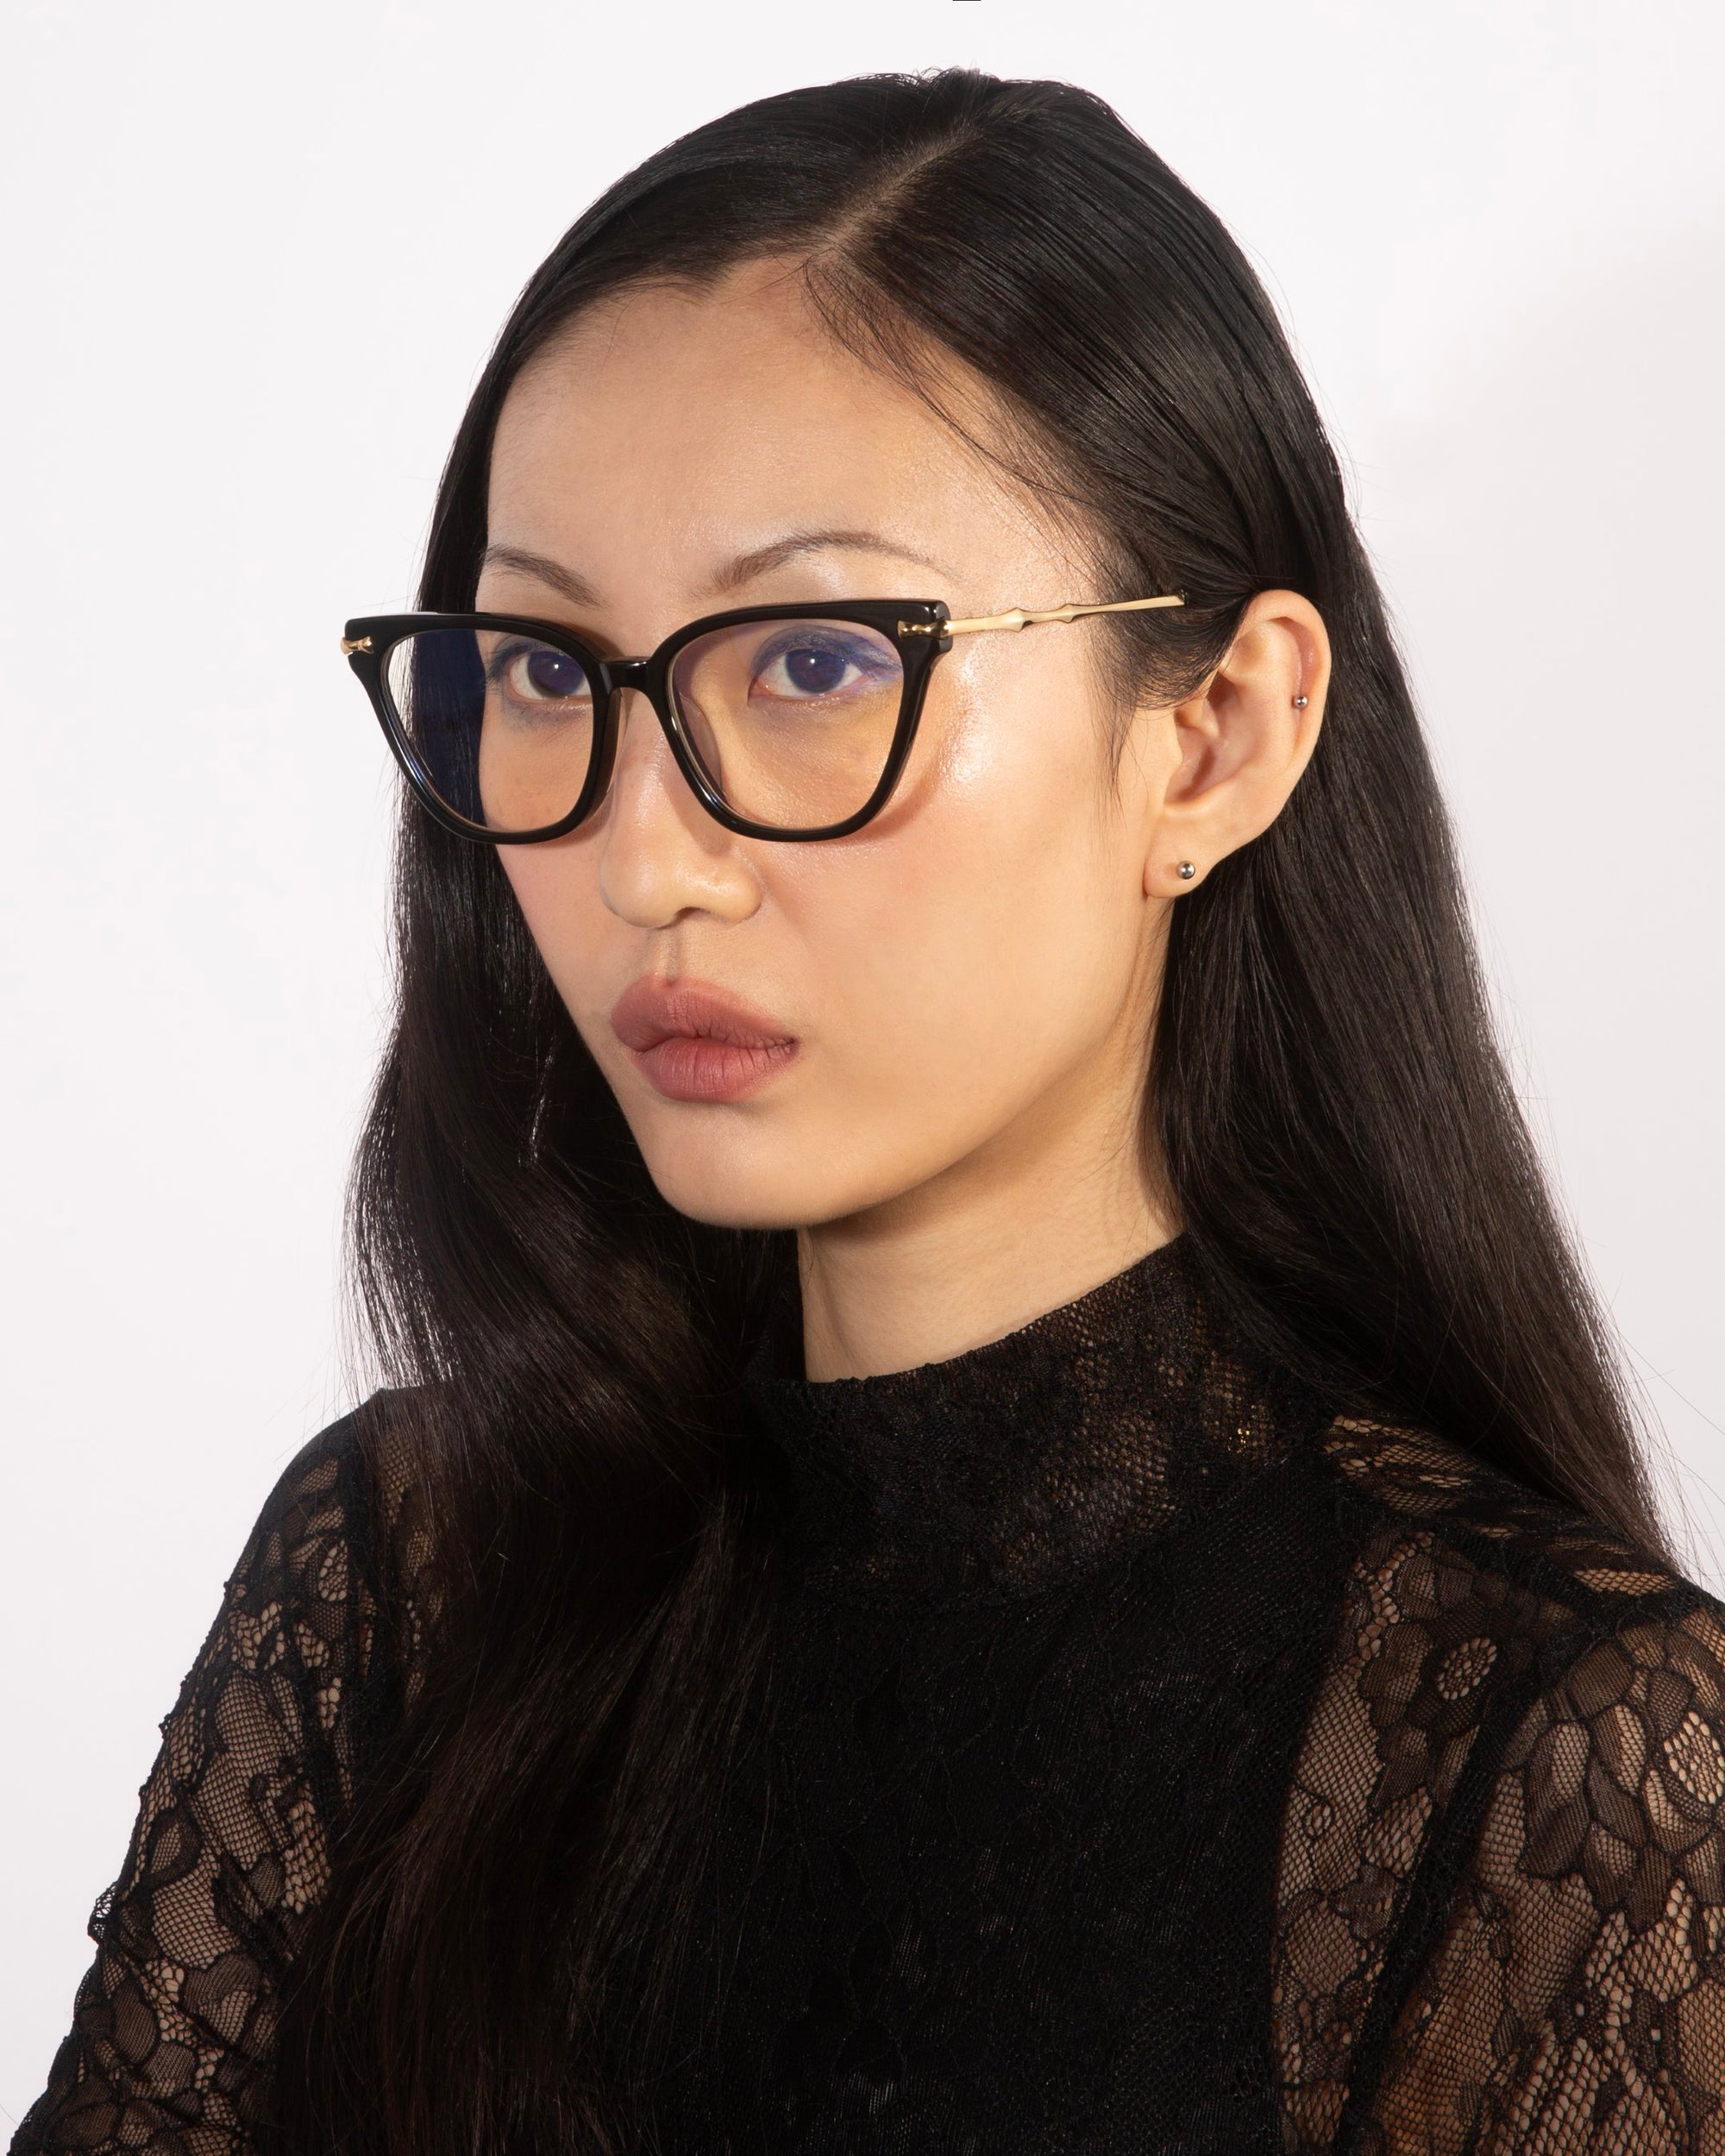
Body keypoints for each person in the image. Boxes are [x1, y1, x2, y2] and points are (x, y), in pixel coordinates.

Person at [16, 67, 1725, 2156]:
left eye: (817, 661)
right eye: (547, 667)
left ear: (1213, 735)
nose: (652, 857)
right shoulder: (405, 1586)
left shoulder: (1542, 1754)